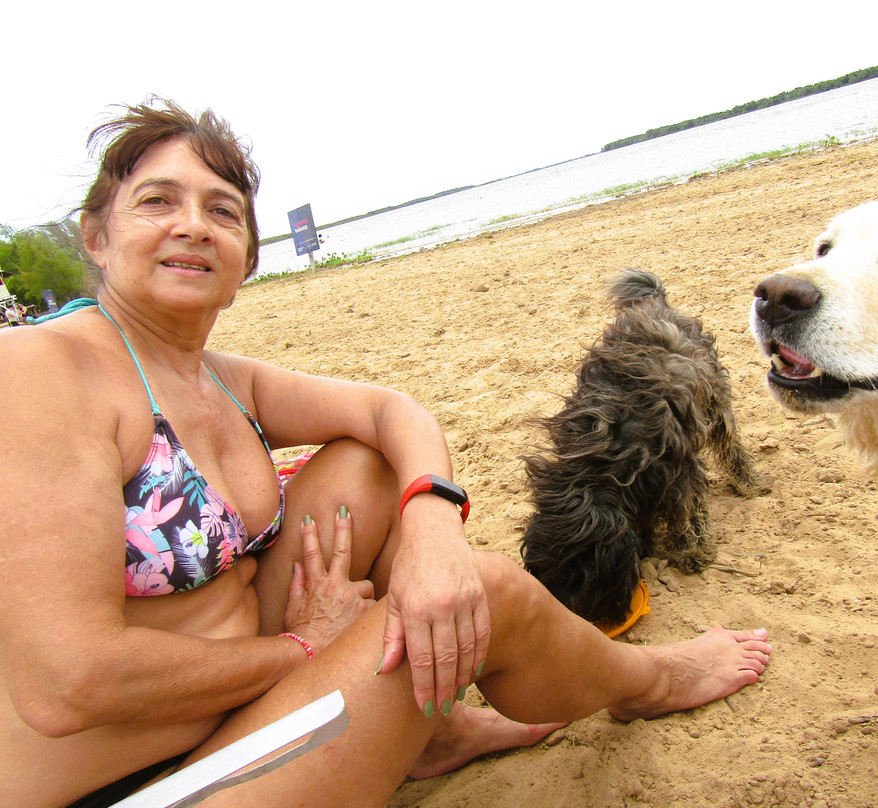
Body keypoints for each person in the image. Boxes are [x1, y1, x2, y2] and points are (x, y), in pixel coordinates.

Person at [0, 98, 772, 808]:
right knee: (492, 593)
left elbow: (389, 409)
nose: (194, 225)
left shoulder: (217, 378)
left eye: (222, 211)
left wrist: (434, 528)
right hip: (139, 786)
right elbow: (68, 684)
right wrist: (302, 650)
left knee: (367, 468)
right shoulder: (40, 371)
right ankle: (647, 681)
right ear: (96, 238)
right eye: (158, 201)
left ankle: (434, 732)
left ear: (247, 258)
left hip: (230, 707)